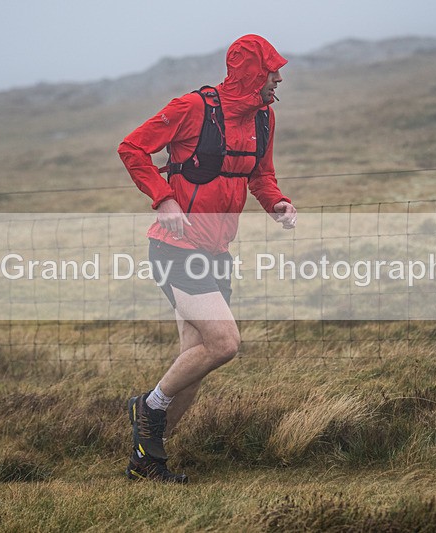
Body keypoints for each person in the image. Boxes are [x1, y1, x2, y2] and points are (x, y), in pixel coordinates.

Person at [117, 34, 297, 483]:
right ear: (253, 73)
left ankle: (147, 460)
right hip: (175, 249)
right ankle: (148, 406)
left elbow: (261, 174)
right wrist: (162, 198)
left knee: (192, 363)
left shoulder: (263, 118)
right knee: (223, 344)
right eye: (272, 70)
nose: (278, 78)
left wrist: (276, 203)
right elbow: (132, 148)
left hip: (217, 252)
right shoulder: (192, 109)